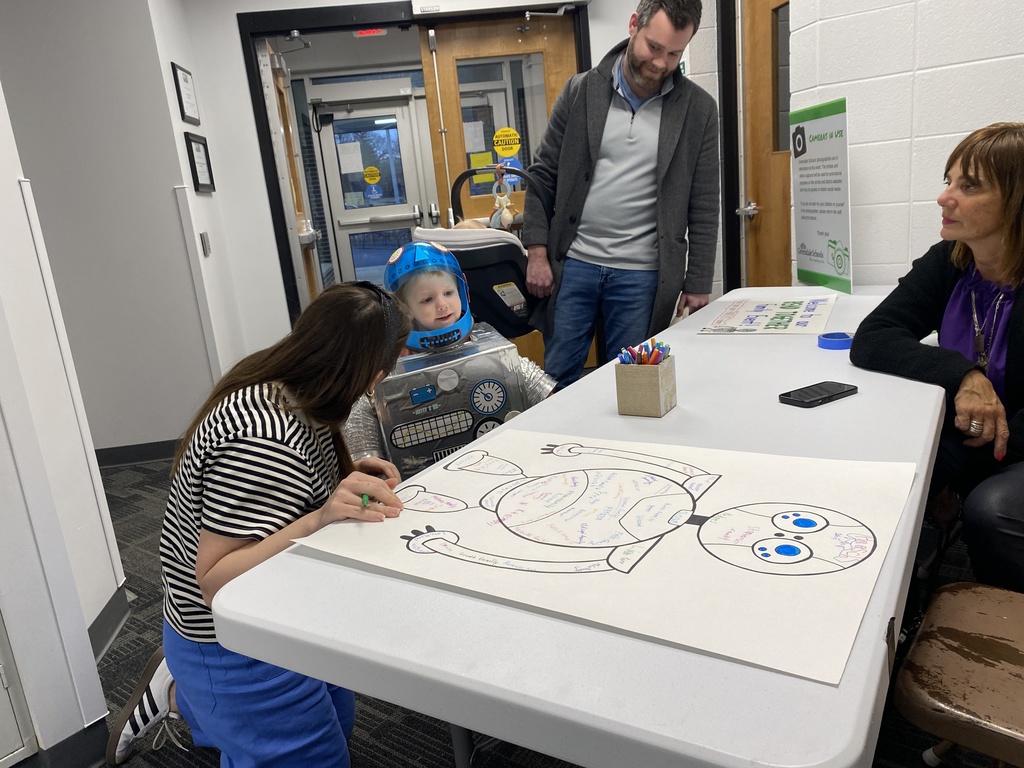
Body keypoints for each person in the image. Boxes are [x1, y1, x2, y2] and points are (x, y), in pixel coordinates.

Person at [107, 282, 412, 766]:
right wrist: (320, 518)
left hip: (280, 613)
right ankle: (192, 688)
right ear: (373, 376)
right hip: (229, 642)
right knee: (314, 755)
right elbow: (215, 579)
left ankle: (186, 696)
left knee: (337, 721)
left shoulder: (290, 386)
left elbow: (281, 496)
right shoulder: (262, 440)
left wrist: (345, 479)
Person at [850, 121, 1024, 594]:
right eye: (949, 181)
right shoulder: (952, 258)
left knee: (989, 509)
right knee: (886, 470)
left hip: (1014, 444)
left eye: (970, 186)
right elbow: (874, 337)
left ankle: (997, 619)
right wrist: (966, 376)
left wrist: (957, 475)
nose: (945, 198)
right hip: (974, 432)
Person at [522, 0, 720, 390]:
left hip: (643, 274)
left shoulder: (699, 111)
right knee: (556, 379)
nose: (661, 63)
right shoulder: (580, 91)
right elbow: (542, 175)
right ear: (633, 25)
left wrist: (698, 281)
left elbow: (704, 203)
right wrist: (537, 251)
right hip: (574, 263)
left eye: (674, 54)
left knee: (632, 386)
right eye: (653, 47)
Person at [344, 240, 554, 477]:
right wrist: (366, 458)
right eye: (427, 300)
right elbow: (362, 418)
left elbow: (545, 395)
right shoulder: (391, 361)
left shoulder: (486, 347)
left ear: (463, 292)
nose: (442, 305)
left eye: (448, 293)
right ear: (404, 309)